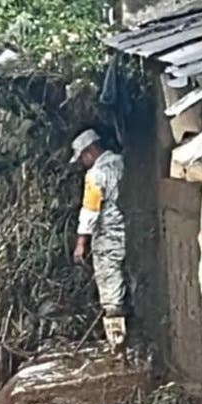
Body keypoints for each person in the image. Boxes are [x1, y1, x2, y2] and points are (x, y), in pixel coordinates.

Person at [70, 128, 128, 348]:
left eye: (82, 158)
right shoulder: (121, 162)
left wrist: (80, 244)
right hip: (127, 230)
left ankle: (118, 344)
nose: (82, 163)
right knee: (127, 280)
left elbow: (90, 211)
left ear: (90, 151)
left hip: (107, 237)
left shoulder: (95, 174)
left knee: (110, 288)